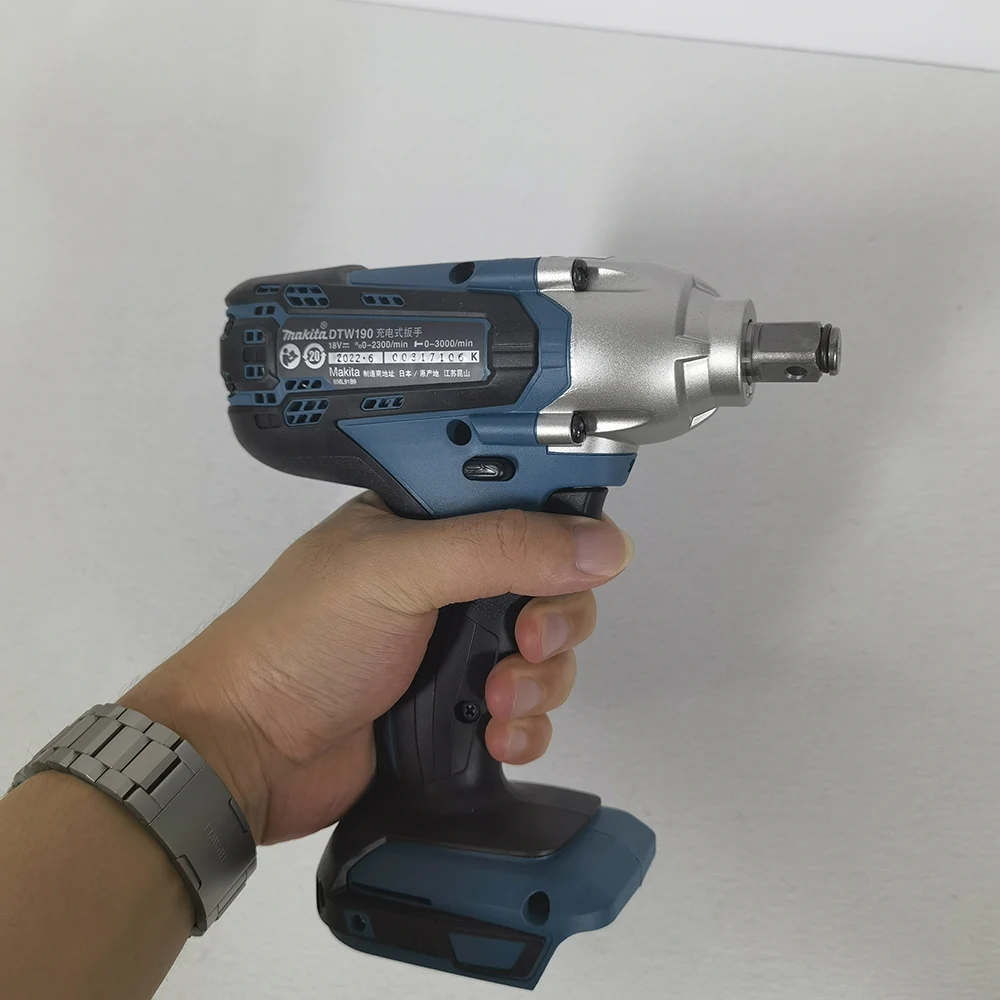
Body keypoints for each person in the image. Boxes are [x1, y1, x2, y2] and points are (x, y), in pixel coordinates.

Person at [0, 493, 633, 999]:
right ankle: (426, 816)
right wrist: (238, 743)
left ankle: (432, 804)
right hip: (399, 836)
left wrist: (245, 741)